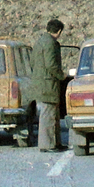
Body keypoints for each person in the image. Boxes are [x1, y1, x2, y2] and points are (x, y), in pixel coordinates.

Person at [32, 18, 66, 152]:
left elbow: (33, 62)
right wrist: (61, 76)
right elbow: (51, 65)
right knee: (49, 115)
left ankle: (55, 143)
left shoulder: (40, 42)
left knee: (51, 114)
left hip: (42, 83)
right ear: (58, 31)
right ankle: (48, 144)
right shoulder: (50, 44)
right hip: (48, 84)